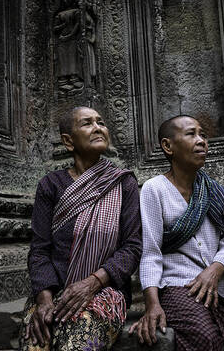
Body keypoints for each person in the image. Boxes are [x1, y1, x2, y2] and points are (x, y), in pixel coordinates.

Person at [129, 115, 224, 351]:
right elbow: (150, 252)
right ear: (167, 146)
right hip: (174, 285)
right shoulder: (155, 189)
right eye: (191, 134)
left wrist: (214, 270)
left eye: (203, 135)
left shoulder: (215, 191)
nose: (201, 141)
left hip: (215, 287)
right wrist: (152, 305)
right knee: (205, 338)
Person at [22, 107, 142, 350]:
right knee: (36, 344)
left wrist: (92, 283)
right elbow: (39, 249)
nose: (98, 127)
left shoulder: (123, 184)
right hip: (53, 291)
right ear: (68, 141)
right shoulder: (51, 185)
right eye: (87, 124)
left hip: (103, 293)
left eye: (101, 122)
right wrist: (43, 299)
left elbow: (132, 247)